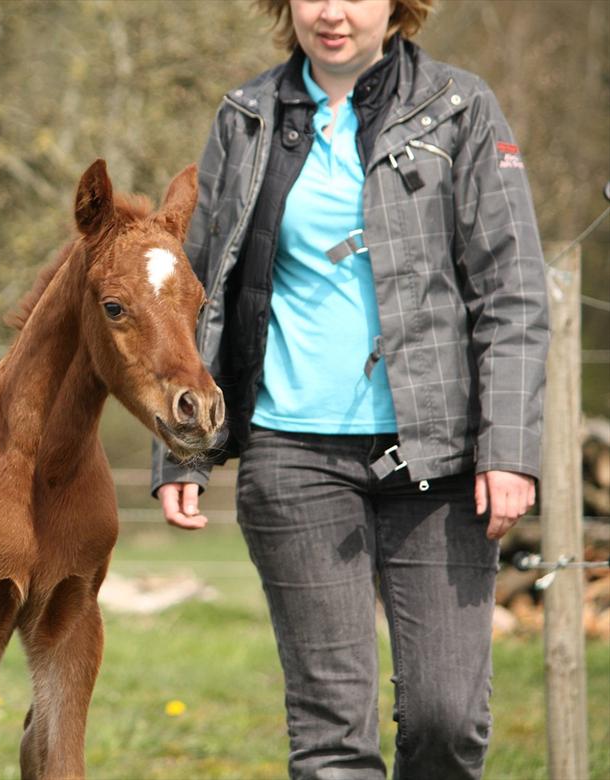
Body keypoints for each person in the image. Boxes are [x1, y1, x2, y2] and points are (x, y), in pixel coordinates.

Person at [150, 0, 549, 777]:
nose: (332, 12)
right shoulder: (246, 116)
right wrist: (181, 455)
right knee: (332, 735)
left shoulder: (459, 109)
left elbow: (514, 293)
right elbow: (195, 297)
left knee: (446, 717)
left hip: (439, 461)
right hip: (291, 455)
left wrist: (510, 449)